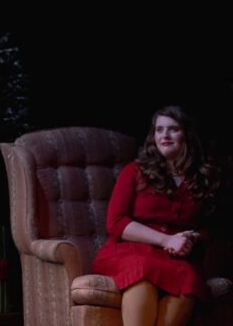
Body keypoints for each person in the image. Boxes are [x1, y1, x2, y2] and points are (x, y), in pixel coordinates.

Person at [91, 106, 223, 326]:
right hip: (131, 250)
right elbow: (116, 222)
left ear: (188, 135)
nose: (165, 135)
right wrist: (166, 240)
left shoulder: (203, 178)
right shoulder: (134, 171)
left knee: (189, 283)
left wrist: (191, 238)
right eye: (159, 130)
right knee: (141, 273)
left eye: (173, 129)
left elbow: (211, 228)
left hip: (177, 257)